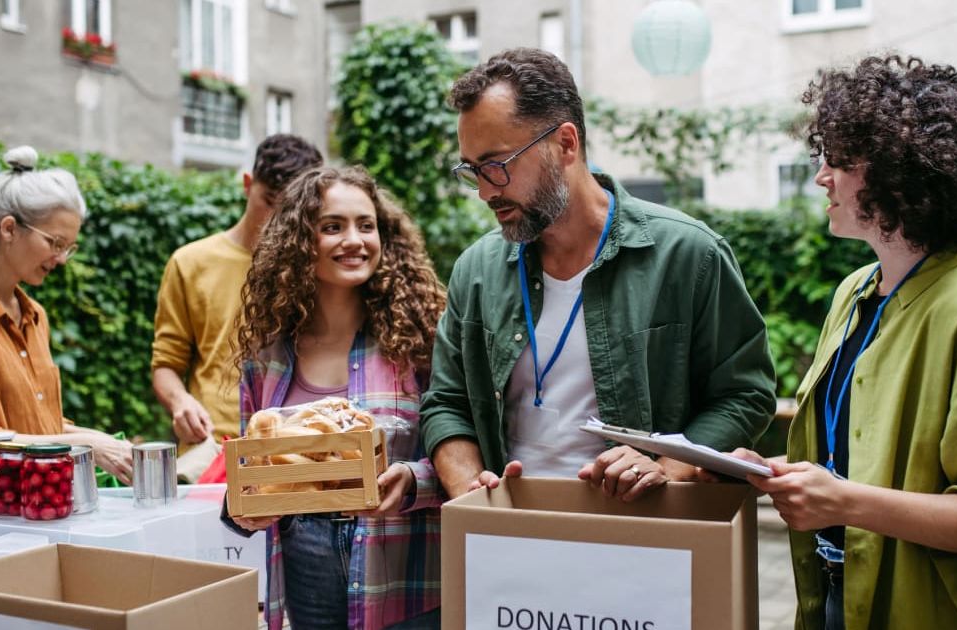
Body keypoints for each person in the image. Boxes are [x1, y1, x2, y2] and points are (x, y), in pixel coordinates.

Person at [727, 55, 957, 629]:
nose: (822, 177)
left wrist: (843, 502)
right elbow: (870, 458)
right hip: (842, 595)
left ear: (900, 169)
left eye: (839, 159)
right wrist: (775, 470)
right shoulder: (855, 293)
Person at [419, 47, 776, 502]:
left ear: (566, 143)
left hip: (641, 533)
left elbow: (744, 393)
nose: (486, 191)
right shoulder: (477, 270)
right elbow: (447, 403)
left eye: (497, 166)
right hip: (506, 536)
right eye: (473, 171)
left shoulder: (689, 254)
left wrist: (666, 466)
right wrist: (471, 491)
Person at [221, 166, 446, 630]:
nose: (355, 240)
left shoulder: (422, 340)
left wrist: (411, 480)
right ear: (300, 242)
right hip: (306, 558)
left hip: (404, 566)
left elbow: (463, 452)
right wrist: (244, 505)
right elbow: (252, 469)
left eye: (366, 225)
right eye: (332, 226)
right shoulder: (268, 354)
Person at [0, 146, 134, 482]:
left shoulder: (35, 316)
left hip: (37, 515)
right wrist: (83, 445)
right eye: (55, 243)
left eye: (68, 248)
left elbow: (37, 425)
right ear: (9, 229)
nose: (61, 259)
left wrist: (98, 440)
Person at [151, 134, 322, 475]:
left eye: (290, 209)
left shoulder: (318, 266)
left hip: (293, 450)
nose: (277, 218)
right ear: (247, 185)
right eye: (269, 201)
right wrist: (180, 401)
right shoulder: (191, 262)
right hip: (212, 446)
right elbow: (166, 363)